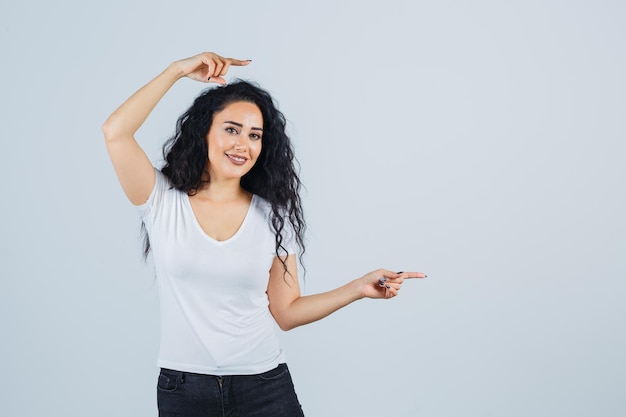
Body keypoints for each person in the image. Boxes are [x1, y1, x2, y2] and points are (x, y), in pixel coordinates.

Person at [102, 51, 426, 417]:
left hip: (264, 388)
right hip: (184, 390)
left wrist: (357, 288)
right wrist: (177, 71)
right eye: (231, 129)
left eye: (254, 135)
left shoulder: (273, 214)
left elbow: (286, 312)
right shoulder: (162, 200)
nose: (243, 144)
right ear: (203, 131)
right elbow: (116, 131)